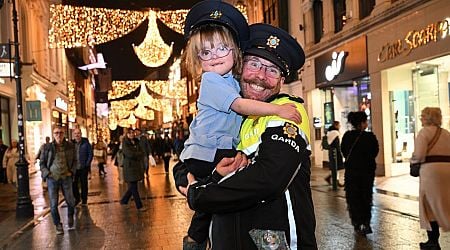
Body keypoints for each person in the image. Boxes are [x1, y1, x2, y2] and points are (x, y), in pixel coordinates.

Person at [182, 23, 316, 249]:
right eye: (254, 64)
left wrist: (201, 194)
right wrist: (186, 172)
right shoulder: (238, 115)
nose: (260, 76)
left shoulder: (287, 112)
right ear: (240, 66)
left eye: (272, 70)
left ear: (282, 81)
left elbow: (268, 178)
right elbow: (205, 149)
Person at [411, 107, 450, 249]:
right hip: (447, 170)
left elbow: (419, 154)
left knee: (429, 205)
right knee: (444, 202)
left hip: (431, 171)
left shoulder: (424, 133)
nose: (421, 118)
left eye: (422, 116)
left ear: (428, 118)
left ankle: (432, 241)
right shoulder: (446, 133)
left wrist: (413, 162)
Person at [341, 111, 379, 235]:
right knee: (366, 197)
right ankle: (366, 222)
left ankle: (357, 223)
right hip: (367, 172)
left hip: (351, 172)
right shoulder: (370, 137)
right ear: (362, 123)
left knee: (353, 198)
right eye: (365, 121)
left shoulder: (347, 136)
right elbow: (375, 151)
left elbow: (344, 151)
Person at [39, 126, 77, 234]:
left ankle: (70, 216)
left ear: (64, 134)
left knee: (70, 201)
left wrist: (72, 172)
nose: (58, 135)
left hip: (66, 177)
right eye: (56, 133)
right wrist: (47, 173)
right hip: (52, 178)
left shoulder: (70, 146)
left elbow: (75, 160)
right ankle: (57, 224)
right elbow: (42, 163)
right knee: (53, 204)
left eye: (60, 133)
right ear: (53, 134)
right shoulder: (47, 147)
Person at [120, 129, 146, 211]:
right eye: (129, 133)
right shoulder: (125, 143)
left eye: (132, 133)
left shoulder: (136, 142)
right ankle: (139, 206)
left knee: (132, 187)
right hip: (129, 168)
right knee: (134, 188)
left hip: (137, 167)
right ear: (127, 134)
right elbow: (129, 154)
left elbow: (142, 152)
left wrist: (137, 154)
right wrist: (137, 154)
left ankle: (124, 200)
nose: (132, 134)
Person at [72, 128, 93, 206]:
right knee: (74, 184)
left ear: (81, 134)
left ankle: (84, 200)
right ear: (73, 135)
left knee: (84, 184)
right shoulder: (72, 144)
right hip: (74, 168)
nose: (77, 135)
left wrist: (87, 164)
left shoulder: (86, 143)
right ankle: (77, 198)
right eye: (75, 133)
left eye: (78, 133)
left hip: (83, 167)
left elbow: (90, 154)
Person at [324, 121, 344, 187]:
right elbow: (337, 144)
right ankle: (336, 182)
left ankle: (331, 179)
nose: (340, 126)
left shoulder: (329, 132)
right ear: (336, 125)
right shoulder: (335, 133)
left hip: (331, 152)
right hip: (336, 152)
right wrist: (340, 152)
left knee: (335, 167)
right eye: (339, 125)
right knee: (337, 167)